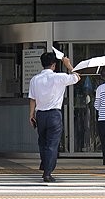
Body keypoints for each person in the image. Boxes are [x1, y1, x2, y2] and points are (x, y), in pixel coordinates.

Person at [27, 52, 78, 183]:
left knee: (42, 142)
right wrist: (68, 64)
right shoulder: (59, 77)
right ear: (54, 65)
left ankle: (45, 164)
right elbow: (77, 77)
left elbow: (32, 99)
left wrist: (31, 114)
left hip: (40, 114)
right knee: (52, 144)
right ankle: (47, 173)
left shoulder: (35, 79)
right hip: (54, 114)